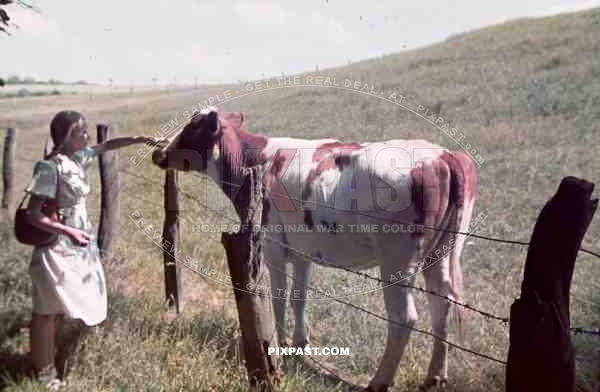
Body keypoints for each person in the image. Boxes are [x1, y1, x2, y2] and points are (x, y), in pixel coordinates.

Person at [25, 110, 167, 390]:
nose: (87, 135)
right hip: (55, 245)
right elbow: (33, 214)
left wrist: (140, 139)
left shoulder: (78, 159)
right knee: (45, 311)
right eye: (80, 131)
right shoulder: (49, 167)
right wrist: (68, 231)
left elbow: (106, 146)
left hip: (79, 244)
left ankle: (55, 358)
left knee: (61, 304)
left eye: (86, 130)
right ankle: (43, 374)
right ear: (65, 136)